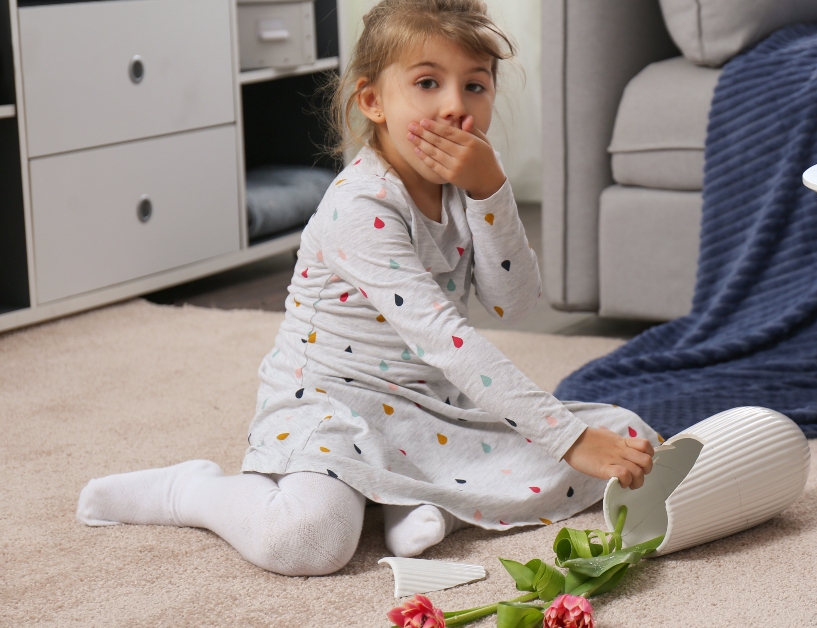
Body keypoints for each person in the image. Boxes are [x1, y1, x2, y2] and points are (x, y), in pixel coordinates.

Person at [76, 0, 658, 577]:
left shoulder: (470, 175)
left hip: (429, 405)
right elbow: (447, 339)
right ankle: (194, 491)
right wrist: (566, 437)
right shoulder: (358, 206)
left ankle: (430, 504)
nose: (455, 107)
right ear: (373, 101)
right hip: (328, 407)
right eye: (428, 83)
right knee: (306, 540)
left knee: (632, 438)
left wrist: (490, 192)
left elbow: (515, 302)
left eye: (475, 86)